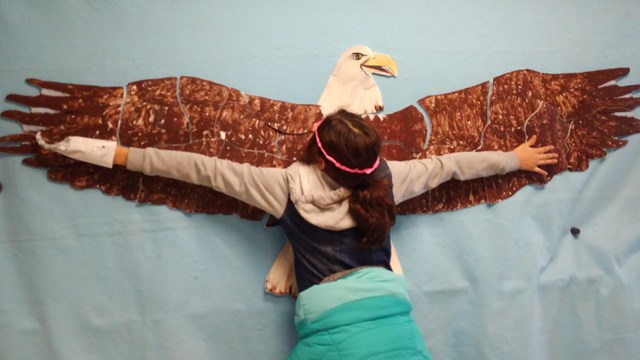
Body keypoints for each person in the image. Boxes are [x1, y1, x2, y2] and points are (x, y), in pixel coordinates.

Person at [37, 109, 557, 359]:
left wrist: (113, 152)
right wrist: (515, 157)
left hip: (328, 325)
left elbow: (193, 168)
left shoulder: (281, 187)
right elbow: (452, 165)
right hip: (392, 320)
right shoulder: (391, 177)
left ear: (314, 150)